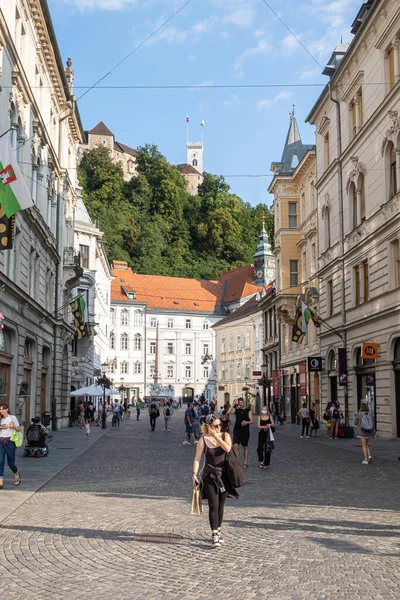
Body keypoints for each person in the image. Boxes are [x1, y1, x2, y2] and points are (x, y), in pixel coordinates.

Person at [192, 414, 232, 549]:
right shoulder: (203, 440)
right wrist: (194, 474)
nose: (219, 427)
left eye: (220, 425)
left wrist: (216, 437)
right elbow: (197, 458)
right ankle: (214, 534)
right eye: (216, 425)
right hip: (209, 475)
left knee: (221, 505)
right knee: (213, 505)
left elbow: (227, 448)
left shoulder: (225, 436)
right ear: (209, 426)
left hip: (224, 475)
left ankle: (218, 530)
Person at [228, 397, 254, 468]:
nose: (241, 404)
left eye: (242, 402)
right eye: (239, 403)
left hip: (245, 430)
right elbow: (228, 412)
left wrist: (246, 422)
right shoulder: (237, 410)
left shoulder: (248, 411)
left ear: (244, 402)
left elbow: (252, 421)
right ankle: (238, 461)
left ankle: (245, 462)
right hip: (237, 429)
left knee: (245, 446)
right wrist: (233, 404)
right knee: (235, 446)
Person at [0, 403, 21, 489]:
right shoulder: (0, 419)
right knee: (0, 461)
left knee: (10, 462)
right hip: (1, 441)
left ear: (7, 409)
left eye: (2, 409)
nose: (1, 411)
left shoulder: (12, 418)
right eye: (0, 410)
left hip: (10, 441)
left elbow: (19, 429)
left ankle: (16, 474)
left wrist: (13, 427)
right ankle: (1, 480)